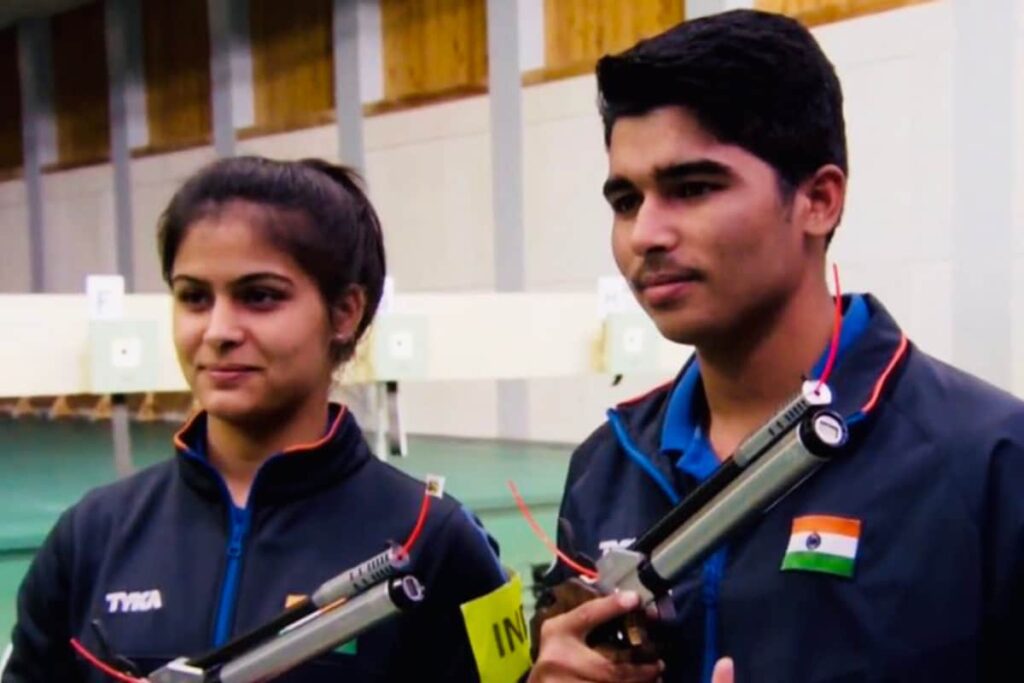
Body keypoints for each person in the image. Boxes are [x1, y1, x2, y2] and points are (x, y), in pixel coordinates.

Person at [528, 9, 1024, 683]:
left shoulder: (989, 463)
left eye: (691, 188)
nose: (645, 232)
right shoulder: (605, 467)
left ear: (819, 200)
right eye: (624, 199)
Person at [3, 156, 510, 682]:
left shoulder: (435, 540)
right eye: (194, 297)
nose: (218, 329)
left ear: (344, 313)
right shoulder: (92, 537)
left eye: (259, 297)